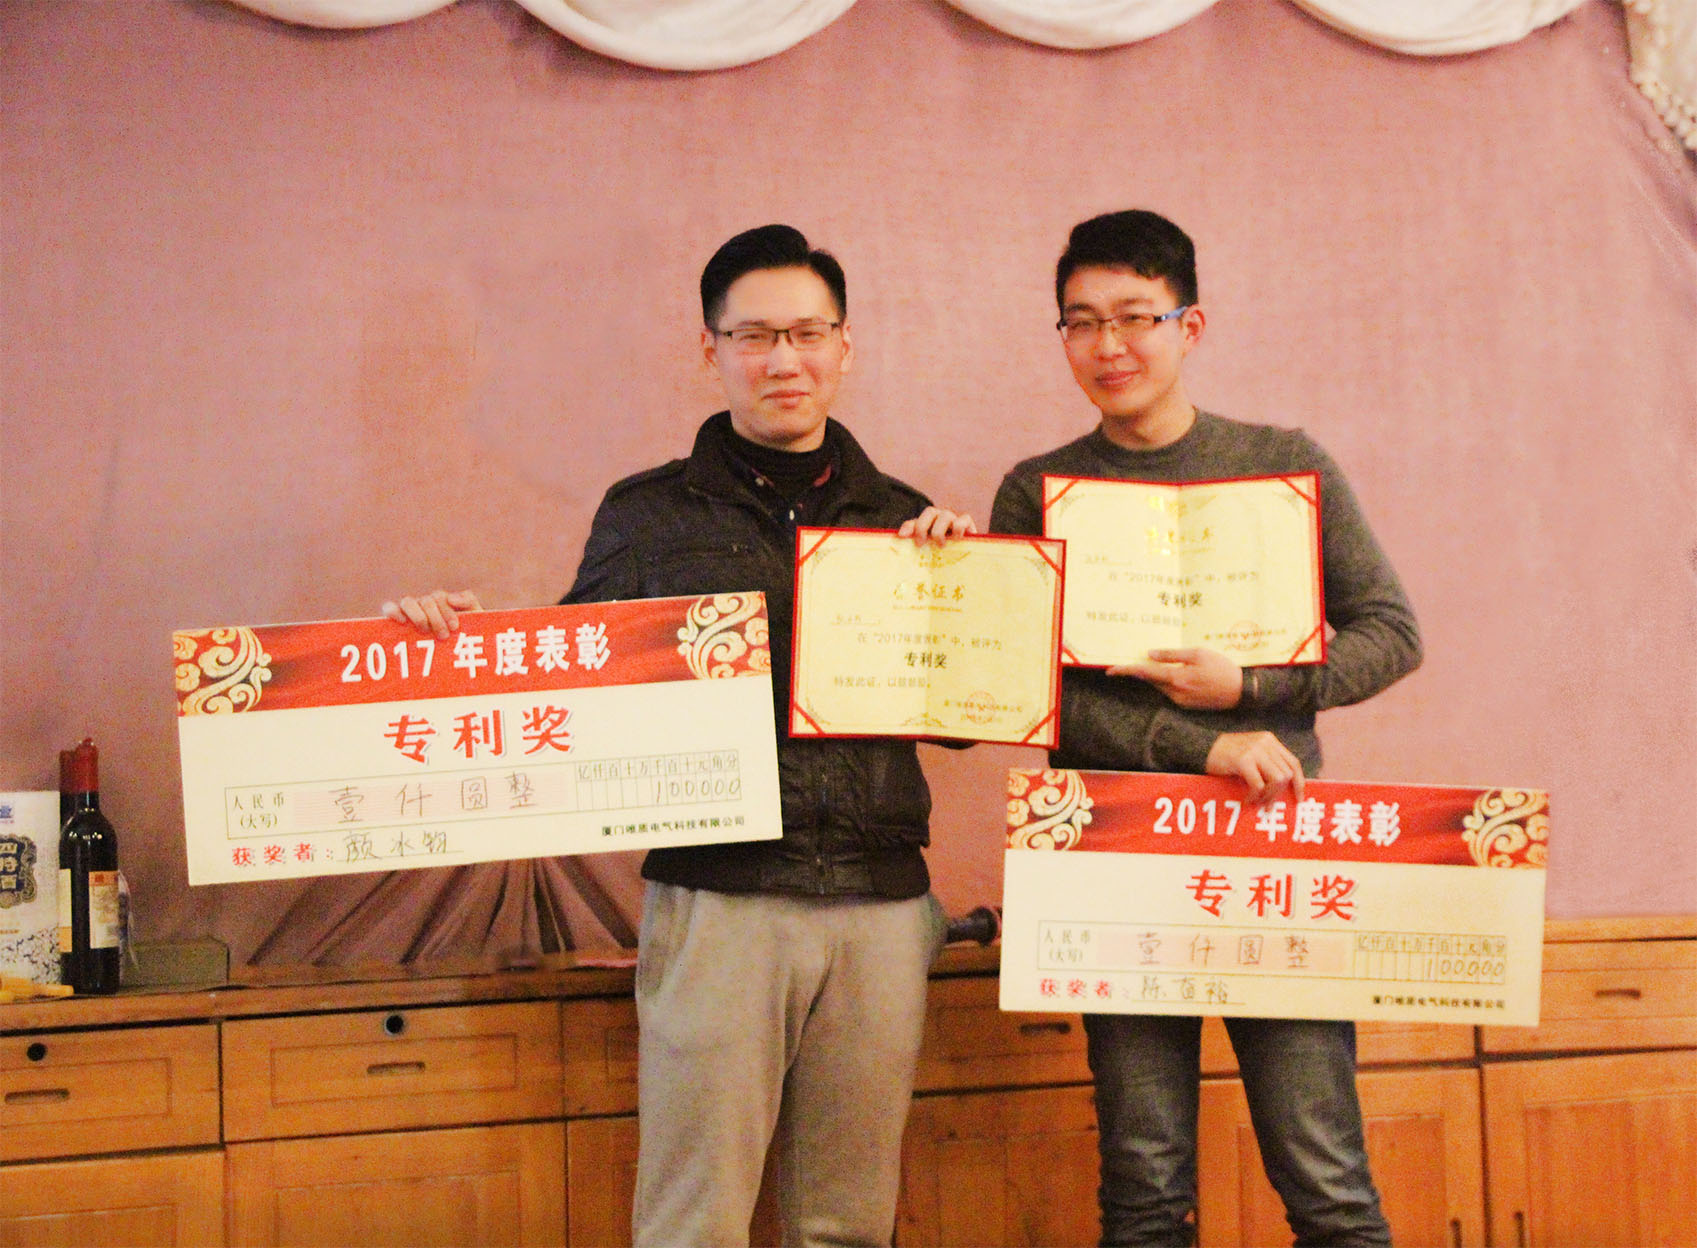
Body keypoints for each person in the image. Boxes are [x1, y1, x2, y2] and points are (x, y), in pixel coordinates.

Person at [388, 223, 975, 1248]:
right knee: (691, 1222)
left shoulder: (909, 520)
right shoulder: (647, 515)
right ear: (711, 349)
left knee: (848, 1223)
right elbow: (568, 684)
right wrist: (446, 646)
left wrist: (975, 587)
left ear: (845, 346)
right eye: (754, 336)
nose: (783, 360)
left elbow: (969, 718)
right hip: (719, 900)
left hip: (881, 907)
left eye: (807, 333)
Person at [991, 209, 1422, 1247]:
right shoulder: (1035, 491)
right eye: (1081, 321)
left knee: (1325, 1177)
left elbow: (1391, 633)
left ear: (1189, 325)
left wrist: (1251, 687)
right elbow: (1018, 687)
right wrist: (1199, 743)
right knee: (1142, 1186)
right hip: (1109, 856)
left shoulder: (1281, 464)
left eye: (1134, 316)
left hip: (1267, 847)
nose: (1108, 345)